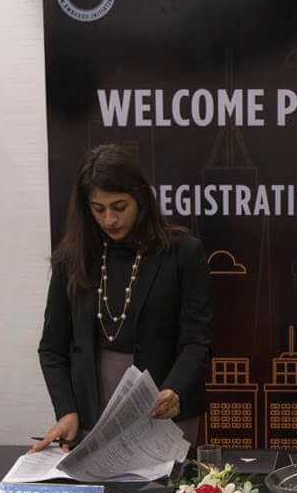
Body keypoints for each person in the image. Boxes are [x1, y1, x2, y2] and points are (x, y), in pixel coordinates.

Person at [34, 144, 211, 452]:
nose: (109, 219)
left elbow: (197, 340)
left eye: (119, 207)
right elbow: (52, 349)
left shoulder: (182, 252)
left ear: (140, 199)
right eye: (98, 209)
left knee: (167, 484)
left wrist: (176, 388)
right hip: (91, 413)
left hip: (163, 411)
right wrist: (66, 410)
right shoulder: (72, 258)